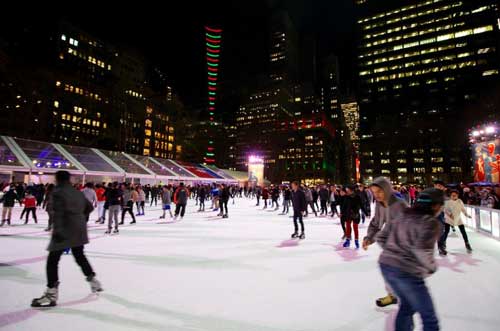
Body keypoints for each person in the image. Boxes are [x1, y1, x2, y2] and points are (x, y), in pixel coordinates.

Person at [31, 171, 102, 308]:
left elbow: (58, 213)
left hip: (64, 230)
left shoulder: (58, 192)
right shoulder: (76, 192)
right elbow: (89, 207)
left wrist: (58, 231)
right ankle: (93, 280)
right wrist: (79, 217)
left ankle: (51, 293)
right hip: (79, 230)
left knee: (52, 261)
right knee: (79, 256)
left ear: (57, 179)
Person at [377, 188, 443, 331]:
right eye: (440, 205)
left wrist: (392, 252)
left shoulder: (402, 215)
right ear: (435, 206)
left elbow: (381, 237)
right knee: (429, 318)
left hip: (386, 265)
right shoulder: (430, 222)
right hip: (406, 271)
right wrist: (432, 267)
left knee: (407, 306)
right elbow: (422, 251)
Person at [362, 177, 407, 308]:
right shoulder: (379, 205)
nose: (376, 195)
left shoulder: (399, 205)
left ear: (387, 190)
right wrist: (369, 238)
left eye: (379, 192)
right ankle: (393, 295)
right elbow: (376, 223)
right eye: (374, 192)